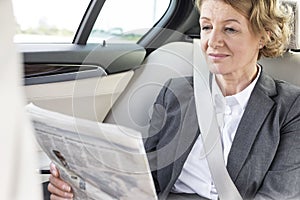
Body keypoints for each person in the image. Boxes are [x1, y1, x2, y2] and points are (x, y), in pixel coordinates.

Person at [47, 0, 300, 199]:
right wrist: (81, 190)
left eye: (230, 29)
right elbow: (144, 176)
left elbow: (280, 194)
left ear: (265, 35)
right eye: (207, 27)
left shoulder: (290, 108)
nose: (213, 42)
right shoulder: (176, 92)